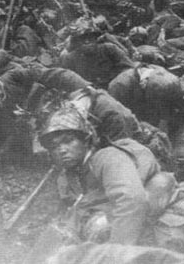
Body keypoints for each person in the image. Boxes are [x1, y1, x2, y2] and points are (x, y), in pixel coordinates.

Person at [38, 104, 162, 245]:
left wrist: (114, 252)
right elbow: (76, 213)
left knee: (99, 225)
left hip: (142, 224)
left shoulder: (108, 158)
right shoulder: (67, 177)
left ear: (86, 141)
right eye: (54, 146)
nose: (62, 150)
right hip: (118, 225)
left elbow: (132, 200)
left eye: (68, 141)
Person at [59, 16, 136, 89]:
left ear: (95, 37)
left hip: (117, 88)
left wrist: (117, 82)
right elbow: (69, 82)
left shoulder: (109, 49)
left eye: (90, 37)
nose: (87, 41)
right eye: (82, 38)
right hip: (91, 92)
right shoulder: (70, 58)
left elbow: (129, 68)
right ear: (77, 41)